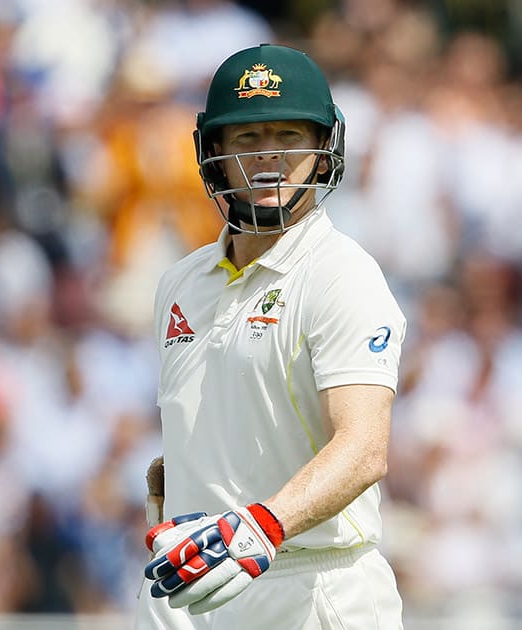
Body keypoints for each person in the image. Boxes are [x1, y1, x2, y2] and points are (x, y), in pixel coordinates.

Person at [135, 44, 406, 629]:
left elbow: (363, 448)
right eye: (247, 139)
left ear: (323, 149)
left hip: (312, 584)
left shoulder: (342, 275)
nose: (269, 158)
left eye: (288, 135)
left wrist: (260, 524)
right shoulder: (180, 283)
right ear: (213, 154)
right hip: (188, 583)